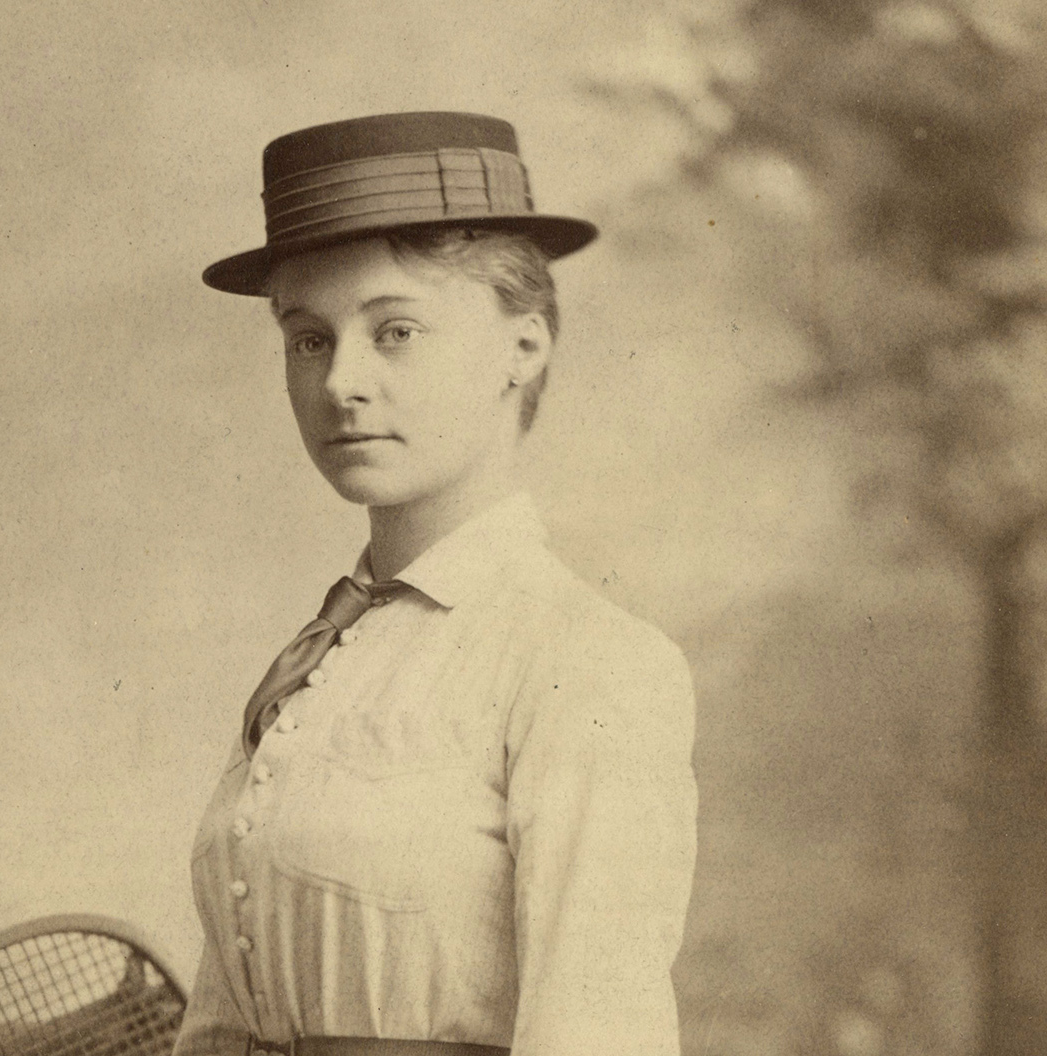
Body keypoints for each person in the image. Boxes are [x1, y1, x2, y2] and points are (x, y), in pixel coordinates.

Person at [173, 113, 699, 1056]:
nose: (342, 382)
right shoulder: (314, 664)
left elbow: (598, 1032)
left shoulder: (586, 664)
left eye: (397, 331)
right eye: (308, 339)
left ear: (523, 347)